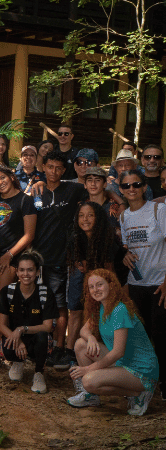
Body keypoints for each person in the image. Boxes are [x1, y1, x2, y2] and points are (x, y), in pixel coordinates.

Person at [67, 269, 159, 416]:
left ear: (111, 285)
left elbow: (118, 352)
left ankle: (139, 393)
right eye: (91, 287)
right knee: (80, 344)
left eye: (99, 285)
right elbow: (84, 331)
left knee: (88, 381)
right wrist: (90, 337)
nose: (95, 290)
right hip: (123, 363)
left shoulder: (119, 310)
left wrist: (88, 369)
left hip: (141, 370)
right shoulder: (101, 306)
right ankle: (91, 397)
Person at [32, 150, 87, 369]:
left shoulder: (74, 189)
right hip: (38, 257)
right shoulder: (36, 191)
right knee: (39, 302)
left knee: (59, 305)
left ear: (64, 170)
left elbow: (103, 190)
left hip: (61, 257)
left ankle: (59, 346)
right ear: (43, 167)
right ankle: (39, 343)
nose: (53, 171)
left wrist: (116, 201)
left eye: (58, 168)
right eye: (50, 167)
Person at [117, 168, 166, 394]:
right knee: (142, 335)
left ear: (145, 187)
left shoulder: (159, 210)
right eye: (126, 186)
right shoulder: (124, 216)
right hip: (137, 285)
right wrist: (125, 254)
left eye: (136, 185)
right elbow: (127, 246)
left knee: (161, 334)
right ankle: (146, 382)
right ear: (121, 189)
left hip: (160, 284)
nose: (131, 189)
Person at [0, 251, 57, 394]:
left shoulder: (45, 293)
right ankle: (18, 362)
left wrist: (22, 329)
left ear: (37, 272)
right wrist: (18, 340)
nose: (26, 274)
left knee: (43, 337)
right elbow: (1, 325)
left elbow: (47, 327)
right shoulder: (7, 292)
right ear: (16, 272)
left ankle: (39, 372)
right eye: (22, 270)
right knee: (7, 343)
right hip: (15, 338)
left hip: (36, 338)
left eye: (30, 270)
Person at [66, 201, 118, 365]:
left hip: (109, 288)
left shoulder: (107, 239)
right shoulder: (77, 238)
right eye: (81, 215)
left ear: (98, 217)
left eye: (90, 215)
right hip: (90, 285)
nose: (85, 219)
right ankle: (71, 354)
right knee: (81, 312)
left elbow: (110, 275)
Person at [0, 166, 37, 300]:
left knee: (3, 296)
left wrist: (9, 255)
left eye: (2, 177)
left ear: (11, 177)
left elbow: (29, 235)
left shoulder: (25, 200)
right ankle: (0, 321)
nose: (0, 182)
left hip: (9, 257)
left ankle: (6, 322)